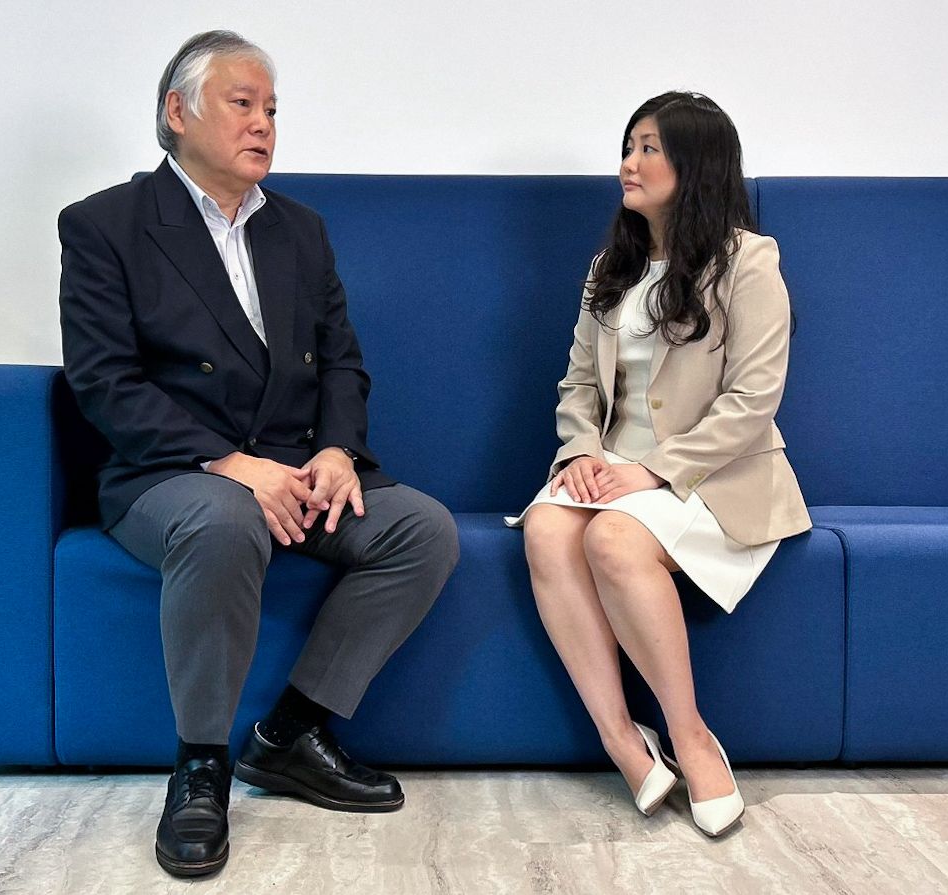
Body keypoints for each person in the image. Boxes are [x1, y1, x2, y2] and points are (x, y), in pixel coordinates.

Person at [57, 30, 459, 878]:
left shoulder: (299, 231)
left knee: (420, 529)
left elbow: (342, 362)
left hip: (293, 469)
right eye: (241, 103)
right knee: (223, 520)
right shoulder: (105, 225)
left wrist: (338, 450)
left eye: (271, 108)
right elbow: (104, 382)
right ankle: (200, 766)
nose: (263, 124)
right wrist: (228, 463)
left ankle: (291, 733)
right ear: (178, 112)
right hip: (169, 474)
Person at [508, 92, 811, 838]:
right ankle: (621, 737)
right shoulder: (609, 268)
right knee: (546, 527)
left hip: (716, 478)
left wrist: (655, 471)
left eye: (648, 148)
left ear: (695, 164)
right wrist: (581, 451)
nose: (628, 164)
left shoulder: (749, 261)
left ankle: (689, 735)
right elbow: (579, 384)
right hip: (615, 468)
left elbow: (753, 399)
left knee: (612, 538)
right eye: (628, 146)